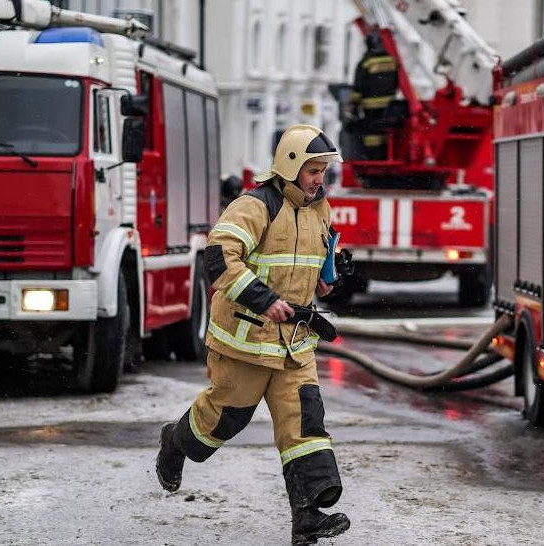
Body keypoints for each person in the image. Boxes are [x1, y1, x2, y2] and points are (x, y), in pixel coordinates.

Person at [155, 125, 350, 545]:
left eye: (323, 171)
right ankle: (175, 442)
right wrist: (264, 300)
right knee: (223, 421)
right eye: (313, 170)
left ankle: (308, 517)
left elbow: (314, 273)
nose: (319, 179)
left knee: (304, 423)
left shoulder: (320, 209)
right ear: (291, 166)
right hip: (246, 344)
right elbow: (219, 258)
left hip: (294, 344)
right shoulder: (254, 205)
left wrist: (330, 279)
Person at [347, 32, 399, 160]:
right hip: (390, 105)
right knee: (386, 131)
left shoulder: (366, 62)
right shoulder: (392, 60)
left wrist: (353, 105)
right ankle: (385, 155)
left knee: (371, 133)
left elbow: (359, 86)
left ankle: (373, 156)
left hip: (370, 105)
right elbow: (397, 81)